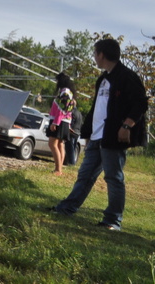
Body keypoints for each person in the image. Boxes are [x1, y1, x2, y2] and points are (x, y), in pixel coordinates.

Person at [51, 38, 148, 231]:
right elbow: (98, 108)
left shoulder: (127, 77)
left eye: (95, 53)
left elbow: (141, 103)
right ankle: (67, 208)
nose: (94, 57)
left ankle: (113, 220)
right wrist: (87, 134)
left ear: (102, 54)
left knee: (113, 178)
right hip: (96, 137)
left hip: (113, 137)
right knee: (85, 175)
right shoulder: (102, 79)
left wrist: (127, 126)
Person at [46, 88, 75, 176]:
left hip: (59, 122)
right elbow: (68, 113)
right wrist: (69, 125)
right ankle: (60, 168)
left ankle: (58, 169)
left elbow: (60, 111)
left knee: (52, 144)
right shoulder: (71, 98)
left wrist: (55, 123)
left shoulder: (62, 95)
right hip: (65, 122)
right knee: (60, 144)